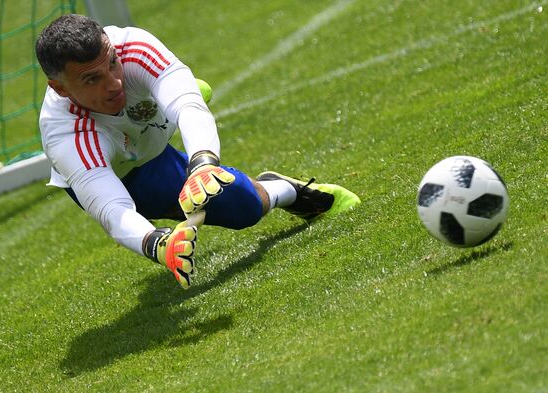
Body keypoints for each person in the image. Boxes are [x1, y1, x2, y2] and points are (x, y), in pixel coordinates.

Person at [35, 14, 361, 289]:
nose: (114, 83)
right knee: (174, 189)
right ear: (60, 88)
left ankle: (288, 190)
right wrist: (157, 244)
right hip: (122, 176)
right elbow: (111, 208)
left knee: (244, 207)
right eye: (92, 79)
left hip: (153, 149)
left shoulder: (133, 46)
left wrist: (203, 166)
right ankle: (168, 98)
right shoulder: (64, 131)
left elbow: (189, 107)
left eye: (113, 64)